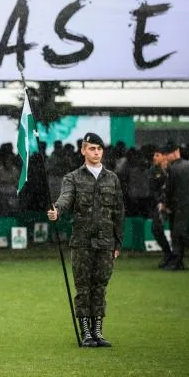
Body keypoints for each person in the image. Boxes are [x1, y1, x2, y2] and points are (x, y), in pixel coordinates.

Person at [47, 133, 124, 348]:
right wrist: (57, 210)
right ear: (83, 150)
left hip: (106, 242)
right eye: (91, 148)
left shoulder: (112, 178)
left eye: (99, 148)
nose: (96, 152)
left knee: (100, 286)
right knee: (83, 287)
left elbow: (119, 212)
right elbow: (65, 199)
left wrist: (118, 243)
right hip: (82, 241)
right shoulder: (72, 178)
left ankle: (98, 330)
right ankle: (86, 332)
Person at [160, 142, 189, 271]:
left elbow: (169, 189)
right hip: (186, 203)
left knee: (179, 234)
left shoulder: (173, 168)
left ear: (175, 152)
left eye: (168, 154)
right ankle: (178, 261)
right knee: (179, 234)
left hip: (178, 205)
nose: (166, 157)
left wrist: (166, 205)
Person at [148, 148, 172, 268]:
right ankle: (168, 253)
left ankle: (175, 257)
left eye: (157, 155)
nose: (154, 157)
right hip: (160, 204)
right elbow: (153, 190)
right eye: (154, 155)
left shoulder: (171, 168)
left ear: (164, 156)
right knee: (156, 228)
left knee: (178, 231)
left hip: (174, 203)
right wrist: (161, 202)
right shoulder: (153, 170)